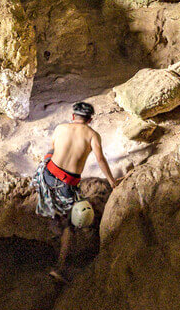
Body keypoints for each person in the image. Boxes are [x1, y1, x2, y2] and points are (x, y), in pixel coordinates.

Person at [32, 101, 120, 282]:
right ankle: (59, 267)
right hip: (66, 184)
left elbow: (55, 148)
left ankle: (51, 212)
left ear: (73, 117)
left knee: (50, 154)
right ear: (90, 119)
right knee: (70, 226)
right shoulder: (93, 135)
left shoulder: (60, 128)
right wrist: (112, 181)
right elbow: (101, 160)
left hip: (46, 174)